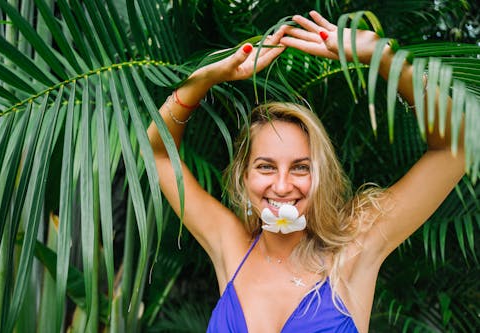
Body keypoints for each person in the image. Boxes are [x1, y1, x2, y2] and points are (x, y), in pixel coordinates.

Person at [147, 10, 465, 333]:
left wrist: (386, 60)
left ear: (321, 175)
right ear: (244, 177)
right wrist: (205, 78)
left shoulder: (356, 248)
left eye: (300, 167)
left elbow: (457, 150)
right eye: (266, 167)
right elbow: (156, 153)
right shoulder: (230, 244)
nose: (282, 186)